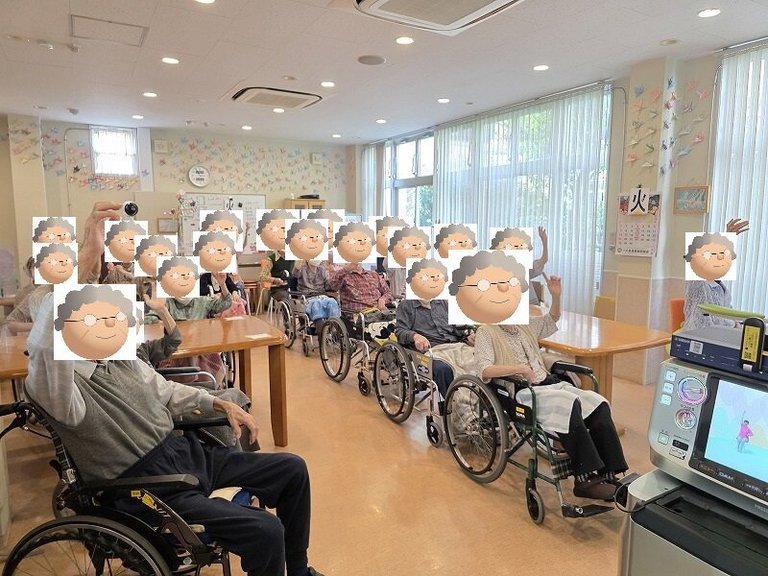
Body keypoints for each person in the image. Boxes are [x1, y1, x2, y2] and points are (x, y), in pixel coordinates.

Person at [25, 201, 323, 576]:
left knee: (293, 469)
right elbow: (46, 341)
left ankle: (299, 570)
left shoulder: (117, 356)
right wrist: (87, 257)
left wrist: (218, 403)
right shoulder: (60, 390)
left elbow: (165, 391)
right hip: (147, 488)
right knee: (265, 530)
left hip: (184, 455)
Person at [472, 274, 628, 501]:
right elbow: (484, 370)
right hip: (520, 392)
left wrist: (556, 296)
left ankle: (610, 472)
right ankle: (584, 479)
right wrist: (519, 368)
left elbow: (551, 319)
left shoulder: (525, 326)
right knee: (569, 406)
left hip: (547, 383)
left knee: (597, 404)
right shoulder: (487, 332)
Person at [145, 271, 234, 388]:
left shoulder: (202, 301)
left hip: (201, 351)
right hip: (175, 352)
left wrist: (222, 284)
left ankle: (206, 387)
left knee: (206, 356)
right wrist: (164, 319)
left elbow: (226, 303)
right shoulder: (167, 302)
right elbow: (148, 319)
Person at [395, 297, 475, 398]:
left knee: (480, 361)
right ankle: (455, 403)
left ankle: (480, 402)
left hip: (455, 346)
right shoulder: (406, 305)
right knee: (444, 369)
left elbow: (458, 327)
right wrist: (415, 336)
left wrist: (468, 334)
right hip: (430, 350)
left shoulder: (444, 303)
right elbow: (400, 331)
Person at [683, 218, 748, 330]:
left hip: (719, 333)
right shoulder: (697, 281)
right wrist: (734, 325)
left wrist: (737, 323)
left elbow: (727, 311)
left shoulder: (719, 285)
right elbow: (709, 319)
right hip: (699, 334)